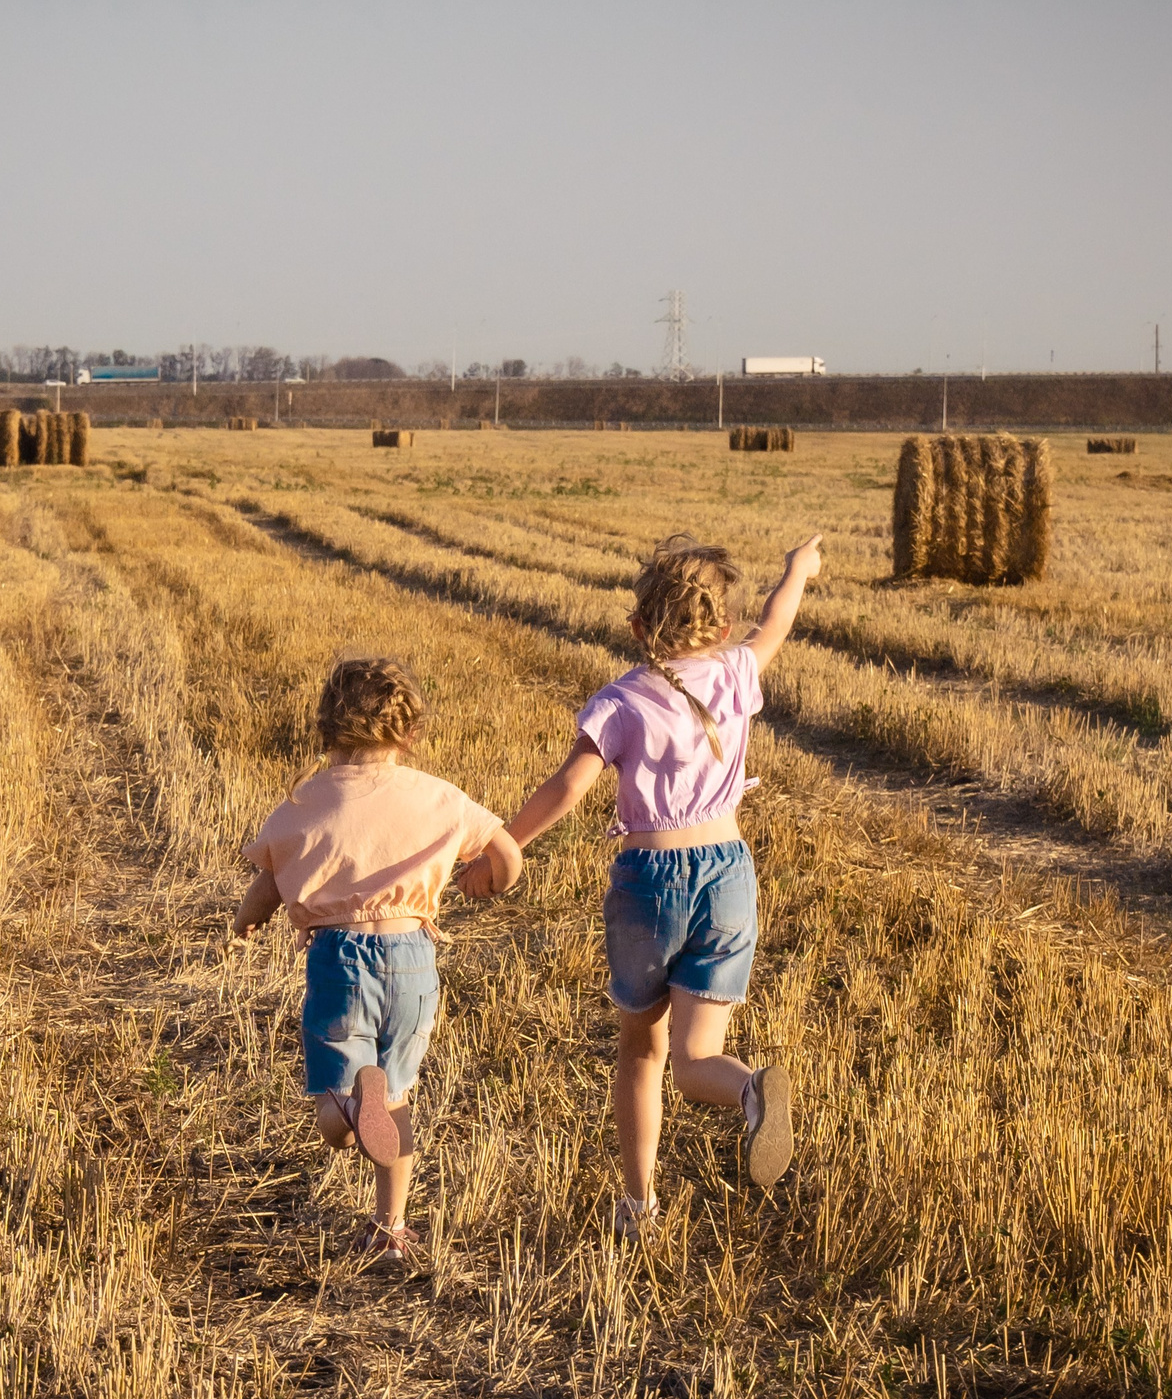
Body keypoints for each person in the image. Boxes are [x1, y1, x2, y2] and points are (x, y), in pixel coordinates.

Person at [475, 532, 821, 1240]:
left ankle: (639, 1208)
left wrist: (504, 841)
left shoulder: (622, 700)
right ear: (721, 627)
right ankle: (748, 1089)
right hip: (728, 874)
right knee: (696, 1059)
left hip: (650, 885)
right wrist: (798, 569)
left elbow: (570, 785)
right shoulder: (735, 670)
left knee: (642, 1049)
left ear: (638, 626)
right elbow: (777, 619)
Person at [234, 656, 523, 1269]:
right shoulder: (437, 795)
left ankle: (349, 1107)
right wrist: (492, 880)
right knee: (395, 1098)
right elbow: (507, 853)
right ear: (409, 733)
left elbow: (271, 878)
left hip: (340, 959)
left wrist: (246, 920)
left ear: (326, 728)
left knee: (336, 1113)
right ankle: (391, 1228)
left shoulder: (305, 800)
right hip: (415, 957)